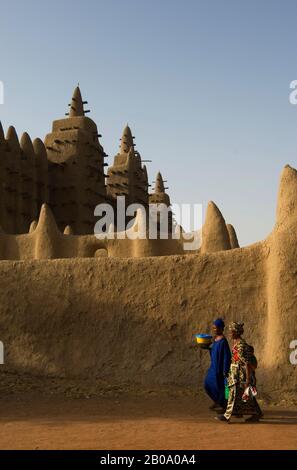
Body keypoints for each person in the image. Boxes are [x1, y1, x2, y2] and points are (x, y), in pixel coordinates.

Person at [216, 321, 263, 423]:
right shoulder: (236, 343)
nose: (229, 333)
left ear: (236, 333)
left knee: (234, 394)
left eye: (231, 332)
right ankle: (257, 414)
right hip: (235, 374)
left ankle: (227, 416)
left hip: (240, 375)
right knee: (244, 396)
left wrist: (247, 380)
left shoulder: (241, 346)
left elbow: (246, 363)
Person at [204, 318, 231, 412]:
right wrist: (208, 348)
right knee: (208, 384)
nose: (214, 330)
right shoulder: (215, 340)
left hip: (221, 369)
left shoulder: (223, 341)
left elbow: (226, 357)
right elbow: (214, 352)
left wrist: (225, 370)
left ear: (221, 328)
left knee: (224, 388)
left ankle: (225, 406)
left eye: (216, 328)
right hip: (214, 367)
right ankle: (218, 401)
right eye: (213, 328)